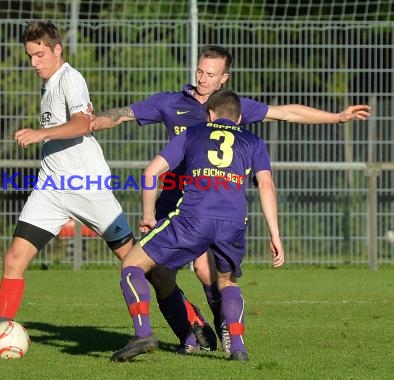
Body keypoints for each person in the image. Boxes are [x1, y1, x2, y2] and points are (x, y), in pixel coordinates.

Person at [92, 45, 371, 353]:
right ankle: (192, 328)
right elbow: (121, 116)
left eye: (210, 74)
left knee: (205, 269)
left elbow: (287, 113)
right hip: (175, 203)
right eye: (199, 71)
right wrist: (91, 121)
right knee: (160, 275)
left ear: (223, 78)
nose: (202, 78)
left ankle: (222, 328)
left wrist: (337, 117)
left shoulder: (230, 107)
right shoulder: (170, 102)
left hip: (208, 204)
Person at [0, 20, 135, 357]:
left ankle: (189, 320)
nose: (34, 62)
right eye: (30, 56)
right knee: (14, 259)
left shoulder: (71, 78)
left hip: (86, 185)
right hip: (51, 189)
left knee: (135, 261)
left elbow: (83, 124)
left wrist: (40, 134)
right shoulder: (49, 84)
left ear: (56, 50)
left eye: (40, 54)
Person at [111, 88, 285, 363]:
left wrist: (147, 215)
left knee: (132, 265)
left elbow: (150, 173)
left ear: (210, 114)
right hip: (233, 223)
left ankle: (143, 334)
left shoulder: (193, 132)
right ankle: (237, 347)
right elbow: (266, 185)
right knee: (227, 281)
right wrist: (275, 235)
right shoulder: (254, 141)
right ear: (239, 119)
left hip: (193, 218)